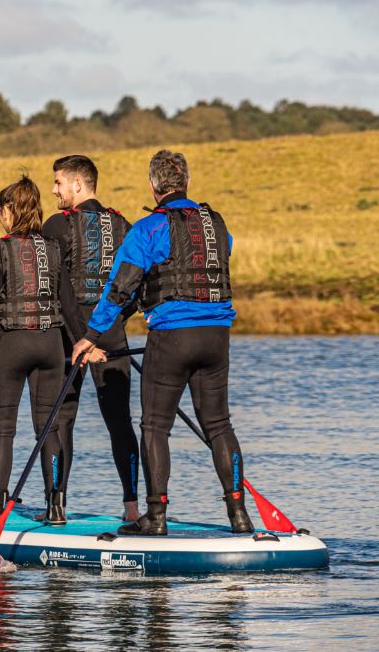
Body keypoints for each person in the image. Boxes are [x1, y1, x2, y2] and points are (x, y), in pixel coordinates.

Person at [71, 149, 254, 535]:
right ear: (186, 182)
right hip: (217, 338)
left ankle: (155, 516)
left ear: (153, 187)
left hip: (171, 338)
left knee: (154, 426)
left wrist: (91, 336)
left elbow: (119, 289)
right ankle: (238, 514)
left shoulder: (148, 229)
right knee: (219, 425)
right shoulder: (218, 225)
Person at [0, 175, 91, 525]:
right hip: (50, 345)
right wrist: (83, 342)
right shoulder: (52, 248)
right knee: (48, 427)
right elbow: (69, 306)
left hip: (12, 345)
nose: (0, 217)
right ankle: (56, 506)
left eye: (1, 210)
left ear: (10, 212)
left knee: (2, 428)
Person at [43, 155, 141, 522]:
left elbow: (45, 282)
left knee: (60, 419)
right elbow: (137, 283)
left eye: (58, 183)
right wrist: (115, 320)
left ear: (78, 185)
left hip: (69, 336)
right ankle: (131, 509)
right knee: (120, 421)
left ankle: (56, 507)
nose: (53, 190)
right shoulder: (124, 225)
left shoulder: (56, 225)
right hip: (112, 333)